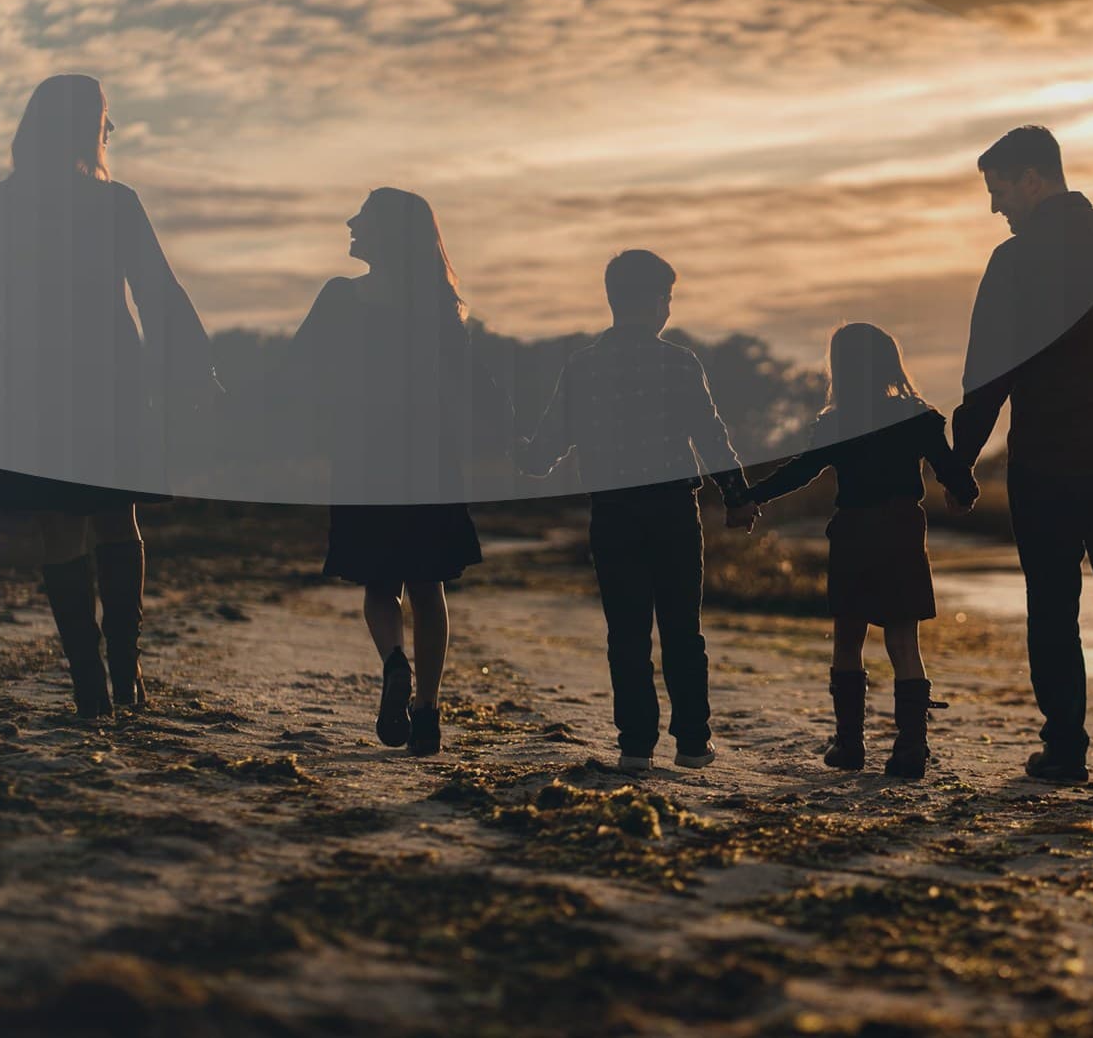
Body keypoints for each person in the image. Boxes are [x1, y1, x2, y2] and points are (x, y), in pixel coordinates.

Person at [0, 74, 214, 719]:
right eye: (105, 117)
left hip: (39, 382)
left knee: (61, 526)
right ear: (83, 126)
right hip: (108, 379)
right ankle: (124, 679)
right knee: (114, 515)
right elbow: (158, 290)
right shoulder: (115, 202)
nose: (112, 129)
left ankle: (91, 689)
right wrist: (191, 369)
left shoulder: (5, 200)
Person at [946, 125, 1093, 788]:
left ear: (1032, 178)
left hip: (1046, 466)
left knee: (1053, 605)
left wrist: (958, 464)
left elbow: (987, 375)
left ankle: (1066, 748)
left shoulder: (1013, 262)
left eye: (999, 190)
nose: (997, 206)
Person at [515, 250, 754, 772]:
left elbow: (546, 449)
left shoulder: (582, 366)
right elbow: (711, 436)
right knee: (682, 630)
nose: (669, 309)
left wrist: (520, 450)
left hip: (613, 514)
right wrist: (736, 496)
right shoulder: (678, 362)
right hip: (672, 512)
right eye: (668, 298)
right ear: (654, 301)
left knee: (626, 632)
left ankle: (636, 746)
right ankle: (692, 742)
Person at [291, 187, 508, 758]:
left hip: (364, 455)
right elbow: (471, 382)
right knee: (428, 587)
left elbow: (296, 370)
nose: (350, 221)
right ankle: (428, 712)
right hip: (427, 457)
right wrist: (515, 438)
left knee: (379, 585)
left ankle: (393, 664)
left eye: (361, 216)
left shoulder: (340, 298)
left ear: (385, 231)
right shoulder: (436, 302)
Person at [726, 323, 962, 779]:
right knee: (902, 640)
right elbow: (948, 467)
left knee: (848, 637)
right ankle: (911, 747)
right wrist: (964, 491)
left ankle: (849, 745)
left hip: (855, 529)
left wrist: (750, 497)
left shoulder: (837, 421)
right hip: (901, 528)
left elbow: (803, 470)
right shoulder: (918, 416)